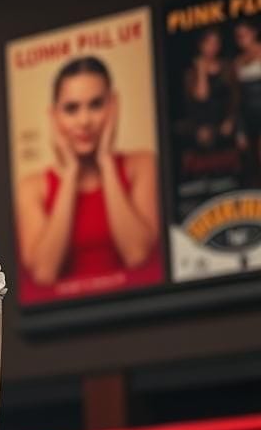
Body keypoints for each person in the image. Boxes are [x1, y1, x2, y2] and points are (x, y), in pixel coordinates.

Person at [16, 56, 161, 289]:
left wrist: (106, 161)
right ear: (54, 116)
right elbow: (44, 272)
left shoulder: (142, 164)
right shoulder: (32, 186)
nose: (84, 121)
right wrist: (71, 173)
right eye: (71, 109)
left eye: (96, 105)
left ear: (113, 106)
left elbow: (137, 255)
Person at [184, 28, 238, 151]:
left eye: (216, 43)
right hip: (201, 127)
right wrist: (201, 70)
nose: (212, 47)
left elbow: (235, 97)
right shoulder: (192, 72)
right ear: (201, 45)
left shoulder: (227, 67)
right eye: (208, 43)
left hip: (224, 124)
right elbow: (202, 96)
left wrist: (230, 120)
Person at [234, 20, 261, 184]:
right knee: (252, 160)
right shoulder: (238, 62)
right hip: (250, 116)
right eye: (237, 37)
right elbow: (238, 98)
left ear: (254, 33)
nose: (240, 39)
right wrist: (240, 129)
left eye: (243, 35)